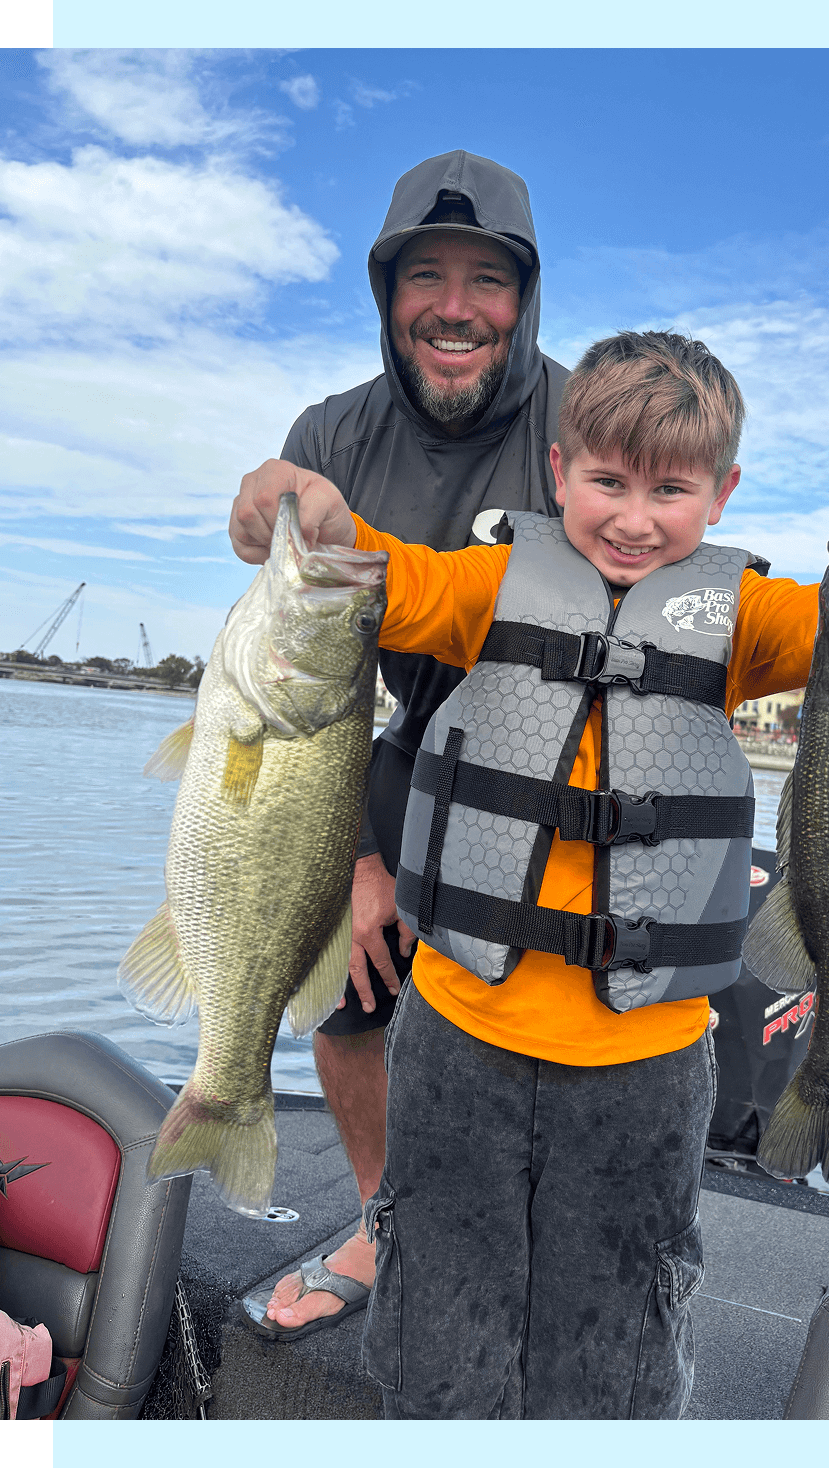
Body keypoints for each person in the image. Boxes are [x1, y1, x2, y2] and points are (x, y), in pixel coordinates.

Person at [230, 330, 829, 1416]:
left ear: (722, 495)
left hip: (647, 1066)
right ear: (558, 472)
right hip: (457, 1044)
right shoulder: (487, 585)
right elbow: (382, 576)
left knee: (621, 1333)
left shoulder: (744, 618)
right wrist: (307, 507)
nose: (634, 517)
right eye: (606, 481)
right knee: (440, 1311)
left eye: (671, 489)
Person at [231, 151, 568, 1336]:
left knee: (529, 1023)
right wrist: (361, 866)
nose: (455, 307)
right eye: (425, 274)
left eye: (489, 279)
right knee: (345, 982)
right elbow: (317, 699)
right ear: (387, 295)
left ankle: (536, 1243)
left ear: (525, 300)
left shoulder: (582, 423)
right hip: (407, 740)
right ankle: (386, 1223)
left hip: (559, 761)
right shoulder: (332, 430)